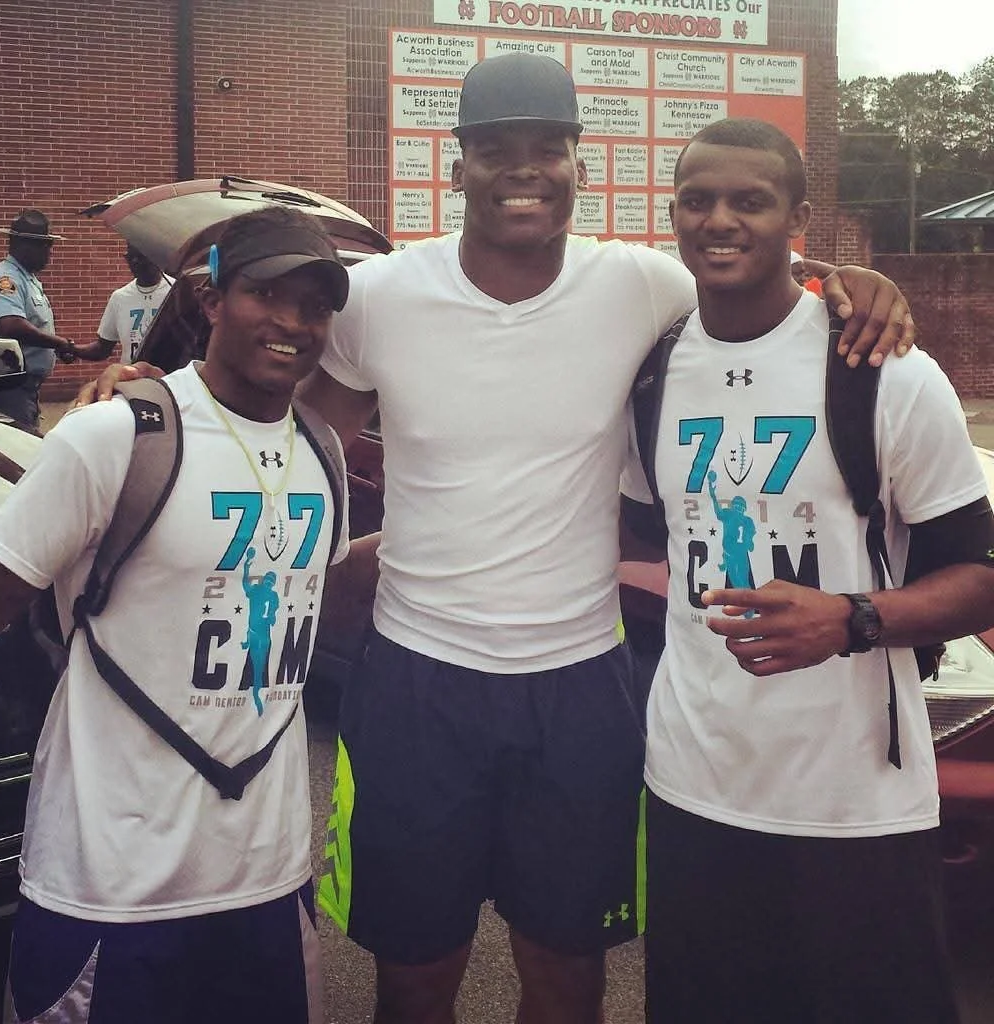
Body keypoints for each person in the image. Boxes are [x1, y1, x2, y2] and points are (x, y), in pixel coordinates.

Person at [80, 55, 916, 1024]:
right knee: (415, 977)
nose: (523, 170)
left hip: (577, 686)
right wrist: (154, 389)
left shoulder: (641, 286)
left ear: (577, 163)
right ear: (457, 165)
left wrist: (850, 278)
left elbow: (759, 286)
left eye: (545, 148)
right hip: (416, 682)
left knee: (567, 977)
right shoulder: (384, 296)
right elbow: (276, 427)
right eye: (495, 150)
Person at [624, 117, 994, 1023]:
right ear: (672, 214)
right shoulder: (654, 374)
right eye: (698, 199)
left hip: (854, 803)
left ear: (796, 218)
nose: (721, 220)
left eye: (750, 200)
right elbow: (646, 544)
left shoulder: (885, 372)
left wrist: (853, 620)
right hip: (691, 790)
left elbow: (979, 576)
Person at [0, 205, 360, 1024]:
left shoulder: (323, 449)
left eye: (316, 305)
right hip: (109, 884)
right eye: (267, 294)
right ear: (213, 300)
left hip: (266, 880)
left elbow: (321, 583)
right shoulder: (114, 437)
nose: (293, 322)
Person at [0, 209, 77, 428]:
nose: (50, 252)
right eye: (45, 246)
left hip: (25, 388)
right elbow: (10, 325)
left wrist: (55, 347)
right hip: (8, 388)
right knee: (19, 448)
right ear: (24, 245)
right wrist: (59, 343)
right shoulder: (6, 279)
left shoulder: (27, 279)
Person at [73, 244, 174, 363]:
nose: (135, 262)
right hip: (132, 377)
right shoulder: (120, 297)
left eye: (141, 257)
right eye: (130, 257)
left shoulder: (178, 292)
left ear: (157, 258)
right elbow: (103, 349)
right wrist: (69, 347)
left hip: (170, 378)